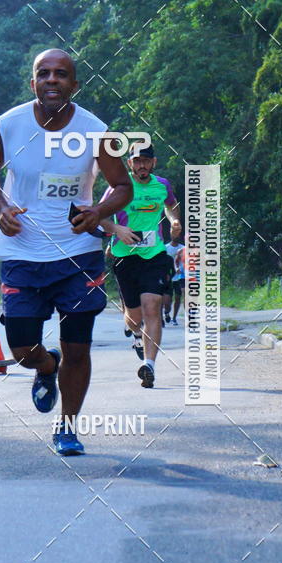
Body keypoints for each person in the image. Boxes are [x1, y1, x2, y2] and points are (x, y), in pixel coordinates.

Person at [0, 47, 132, 455]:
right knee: (23, 349)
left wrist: (98, 210)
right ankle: (46, 368)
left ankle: (68, 426)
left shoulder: (99, 132)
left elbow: (123, 187)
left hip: (78, 253)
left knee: (78, 346)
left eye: (60, 74)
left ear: (74, 84)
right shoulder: (8, 125)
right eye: (43, 74)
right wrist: (2, 207)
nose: (51, 80)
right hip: (22, 252)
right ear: (33, 83)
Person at [101, 142, 180, 389]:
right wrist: (116, 229)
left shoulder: (162, 185)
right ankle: (136, 334)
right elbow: (99, 215)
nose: (142, 165)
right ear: (130, 163)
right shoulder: (119, 187)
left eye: (146, 161)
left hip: (154, 255)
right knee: (134, 318)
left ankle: (149, 365)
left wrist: (175, 220)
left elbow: (172, 206)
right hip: (125, 257)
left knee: (152, 307)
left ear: (153, 163)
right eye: (137, 161)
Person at [165, 232, 185, 325]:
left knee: (178, 297)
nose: (176, 236)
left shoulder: (183, 248)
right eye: (174, 235)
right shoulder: (165, 248)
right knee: (167, 299)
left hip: (179, 277)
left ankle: (174, 318)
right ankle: (167, 313)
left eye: (178, 235)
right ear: (171, 235)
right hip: (168, 277)